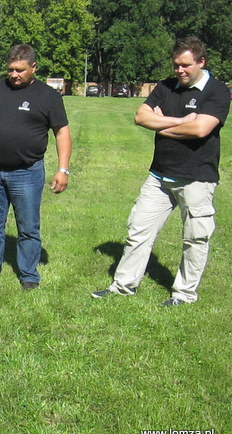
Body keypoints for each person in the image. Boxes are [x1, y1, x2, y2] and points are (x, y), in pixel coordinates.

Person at [92, 37, 230, 306]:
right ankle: (123, 286)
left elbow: (201, 129)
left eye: (186, 65)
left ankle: (184, 294)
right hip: (159, 176)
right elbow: (140, 117)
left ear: (202, 62)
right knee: (137, 231)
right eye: (176, 65)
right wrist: (180, 121)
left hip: (197, 178)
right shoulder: (166, 87)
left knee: (195, 238)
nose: (179, 71)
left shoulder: (217, 91)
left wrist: (160, 124)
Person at [0, 44, 72, 290]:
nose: (14, 75)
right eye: (10, 69)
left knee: (28, 228)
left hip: (27, 173)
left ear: (34, 67)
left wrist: (63, 169)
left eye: (20, 70)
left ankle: (29, 275)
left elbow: (61, 132)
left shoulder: (48, 96)